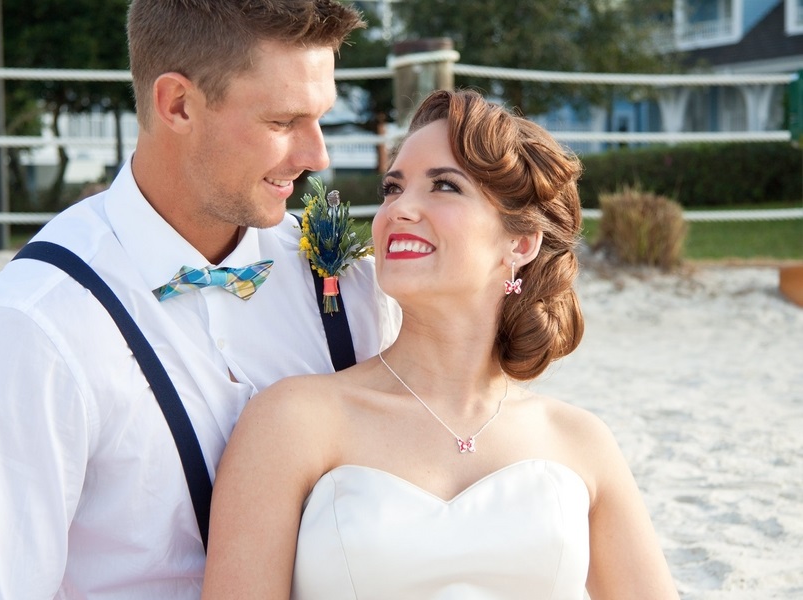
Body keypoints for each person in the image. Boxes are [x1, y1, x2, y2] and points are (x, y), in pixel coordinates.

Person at [0, 1, 399, 598]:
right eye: (283, 122)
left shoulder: (345, 285)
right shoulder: (33, 329)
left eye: (320, 118)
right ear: (177, 104)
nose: (316, 156)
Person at [200, 89, 681, 600]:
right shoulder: (292, 421)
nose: (399, 210)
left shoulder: (580, 440)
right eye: (392, 187)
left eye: (444, 187)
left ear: (520, 243)